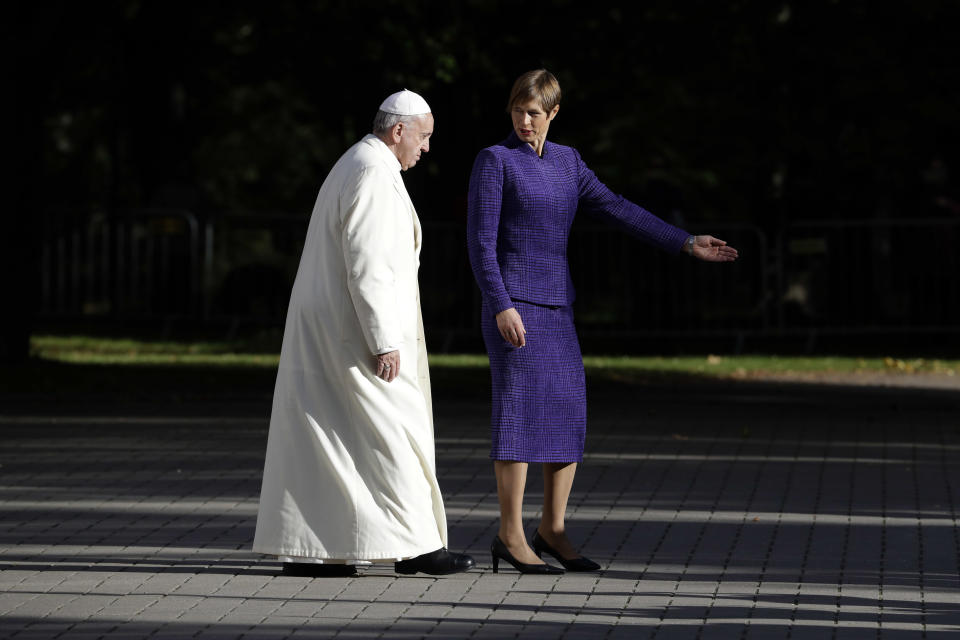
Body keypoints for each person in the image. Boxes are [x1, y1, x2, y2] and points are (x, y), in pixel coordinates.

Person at [467, 70, 738, 574]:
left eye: (534, 113)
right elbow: (481, 243)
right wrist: (500, 303)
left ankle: (553, 528)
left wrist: (684, 241)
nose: (524, 121)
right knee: (518, 415)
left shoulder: (569, 162)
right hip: (513, 306)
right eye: (517, 111)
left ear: (553, 114)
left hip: (557, 305)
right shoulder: (495, 161)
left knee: (568, 412)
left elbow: (616, 207)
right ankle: (509, 533)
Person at [254, 89, 474, 577]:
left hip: (334, 324)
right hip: (355, 329)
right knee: (395, 432)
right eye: (424, 136)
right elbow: (368, 264)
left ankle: (321, 548)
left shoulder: (357, 161)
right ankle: (417, 547)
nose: (427, 147)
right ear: (399, 130)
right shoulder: (374, 171)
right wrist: (385, 340)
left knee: (331, 439)